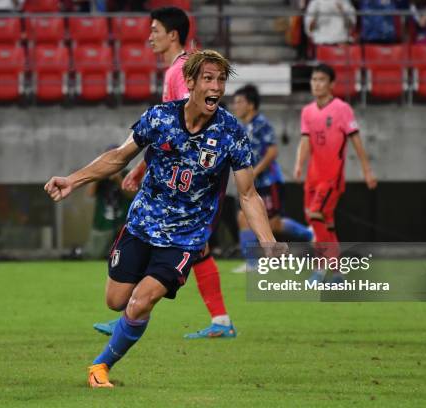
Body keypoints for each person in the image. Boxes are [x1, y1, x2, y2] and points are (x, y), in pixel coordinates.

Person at [44, 50, 279, 388]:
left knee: (141, 302)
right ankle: (133, 313)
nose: (216, 87)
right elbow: (118, 158)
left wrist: (267, 242)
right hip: (141, 224)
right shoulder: (159, 118)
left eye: (221, 80)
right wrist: (73, 180)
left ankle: (100, 367)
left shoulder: (231, 133)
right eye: (208, 79)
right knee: (116, 302)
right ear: (191, 83)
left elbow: (248, 194)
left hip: (185, 238)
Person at [93, 7, 239, 340]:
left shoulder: (180, 73)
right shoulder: (178, 69)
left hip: (192, 187)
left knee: (187, 248)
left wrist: (142, 168)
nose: (149, 36)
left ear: (173, 34)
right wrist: (144, 167)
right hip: (186, 183)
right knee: (197, 250)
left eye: (155, 30)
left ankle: (138, 312)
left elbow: (188, 132)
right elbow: (172, 135)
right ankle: (218, 319)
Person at [294, 64, 377, 284]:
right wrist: (299, 164)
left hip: (332, 177)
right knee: (323, 225)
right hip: (313, 176)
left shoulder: (342, 109)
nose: (316, 84)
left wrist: (367, 170)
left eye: (321, 80)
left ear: (331, 84)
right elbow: (305, 140)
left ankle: (322, 270)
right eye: (314, 80)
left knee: (315, 215)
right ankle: (337, 274)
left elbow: (356, 140)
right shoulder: (307, 111)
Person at [231, 84, 313, 273]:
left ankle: (310, 234)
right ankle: (252, 263)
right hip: (250, 184)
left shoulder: (262, 124)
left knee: (273, 224)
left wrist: (255, 171)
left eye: (239, 102)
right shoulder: (241, 127)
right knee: (243, 218)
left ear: (250, 105)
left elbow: (272, 151)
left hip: (269, 182)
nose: (235, 106)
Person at [83, 167, 133, 259]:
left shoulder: (126, 174)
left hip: (123, 223)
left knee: (123, 256)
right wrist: (99, 176)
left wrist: (118, 179)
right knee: (95, 255)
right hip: (102, 224)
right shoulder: (101, 177)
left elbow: (131, 194)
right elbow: (90, 193)